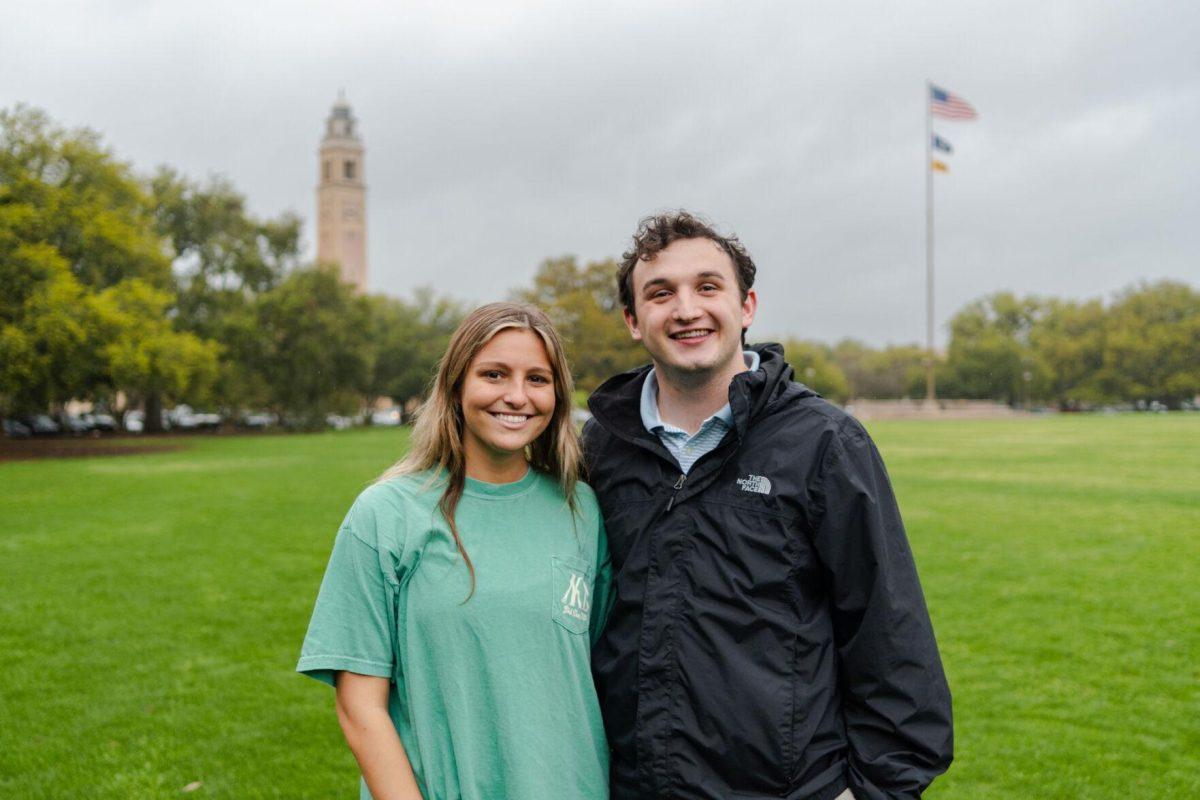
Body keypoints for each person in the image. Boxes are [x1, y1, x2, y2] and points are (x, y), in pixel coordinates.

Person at [582, 212, 953, 800]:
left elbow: (889, 635)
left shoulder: (825, 443)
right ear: (633, 319)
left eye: (708, 287)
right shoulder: (601, 447)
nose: (685, 309)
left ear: (746, 306)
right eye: (660, 293)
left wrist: (874, 791)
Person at [298, 302, 612, 800]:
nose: (516, 396)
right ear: (455, 385)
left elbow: (591, 669)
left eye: (537, 379)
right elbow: (360, 708)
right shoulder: (386, 515)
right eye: (494, 374)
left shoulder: (582, 509)